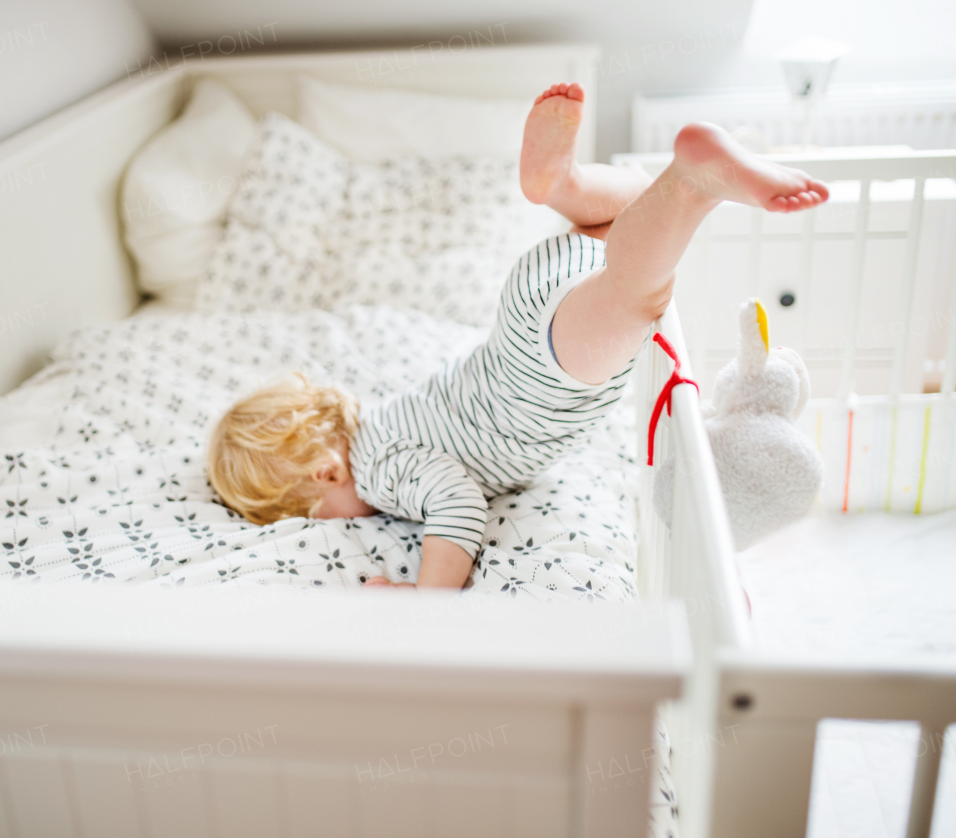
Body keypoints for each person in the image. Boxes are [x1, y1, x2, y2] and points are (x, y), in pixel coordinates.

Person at [207, 82, 829, 589]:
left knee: (638, 289)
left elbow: (457, 504)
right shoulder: (381, 419)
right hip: (529, 303)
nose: (323, 525)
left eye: (309, 516)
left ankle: (694, 185)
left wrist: (425, 600)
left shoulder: (377, 472)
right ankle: (565, 187)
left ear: (322, 473)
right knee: (635, 212)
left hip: (548, 373)